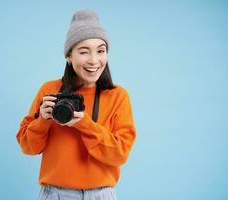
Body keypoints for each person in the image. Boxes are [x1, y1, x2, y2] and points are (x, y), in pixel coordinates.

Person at [16, 9, 136, 200]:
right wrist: (43, 121)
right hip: (55, 194)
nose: (94, 60)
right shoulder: (49, 90)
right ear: (68, 56)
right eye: (83, 51)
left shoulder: (117, 96)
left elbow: (119, 154)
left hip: (101, 194)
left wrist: (84, 124)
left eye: (101, 51)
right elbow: (28, 147)